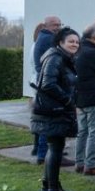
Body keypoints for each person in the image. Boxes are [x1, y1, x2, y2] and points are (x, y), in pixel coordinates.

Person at [31, 27, 80, 191]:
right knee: (56, 147)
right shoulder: (55, 58)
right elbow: (47, 84)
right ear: (61, 43)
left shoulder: (62, 58)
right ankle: (53, 188)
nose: (75, 44)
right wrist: (68, 101)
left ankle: (48, 185)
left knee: (55, 146)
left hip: (55, 109)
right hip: (54, 110)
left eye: (76, 42)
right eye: (71, 41)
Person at [74, 24, 95, 176]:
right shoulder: (93, 53)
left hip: (81, 98)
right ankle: (91, 165)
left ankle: (80, 162)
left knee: (83, 132)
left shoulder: (80, 50)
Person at [32, 15, 63, 164]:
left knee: (46, 121)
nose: (58, 27)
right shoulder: (48, 39)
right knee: (50, 121)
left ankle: (41, 152)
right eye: (54, 25)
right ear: (46, 26)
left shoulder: (42, 37)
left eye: (59, 24)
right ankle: (44, 155)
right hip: (48, 84)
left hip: (43, 83)